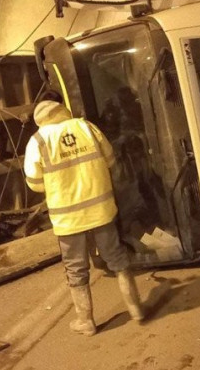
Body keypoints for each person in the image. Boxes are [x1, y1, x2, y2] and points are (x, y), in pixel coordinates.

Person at [24, 100, 143, 336]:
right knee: (118, 260)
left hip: (68, 218)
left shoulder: (38, 141)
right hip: (100, 210)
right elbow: (110, 161)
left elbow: (35, 183)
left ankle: (86, 321)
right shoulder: (87, 128)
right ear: (62, 112)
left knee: (76, 269)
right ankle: (136, 309)